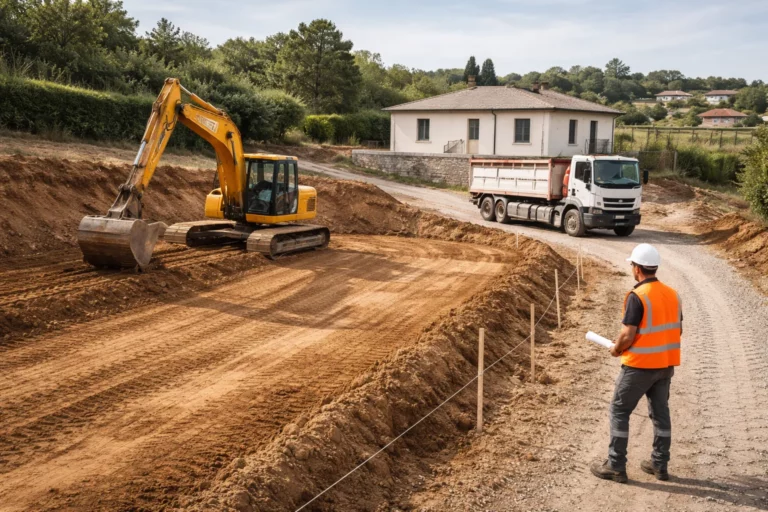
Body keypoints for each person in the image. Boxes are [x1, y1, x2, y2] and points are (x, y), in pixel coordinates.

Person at [591, 243, 682, 483]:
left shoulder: (637, 296)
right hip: (665, 366)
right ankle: (660, 465)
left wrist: (617, 348)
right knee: (661, 414)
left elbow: (628, 335)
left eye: (632, 264)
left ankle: (616, 465)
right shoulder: (673, 294)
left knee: (619, 410)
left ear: (638, 268)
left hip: (639, 366)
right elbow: (676, 330)